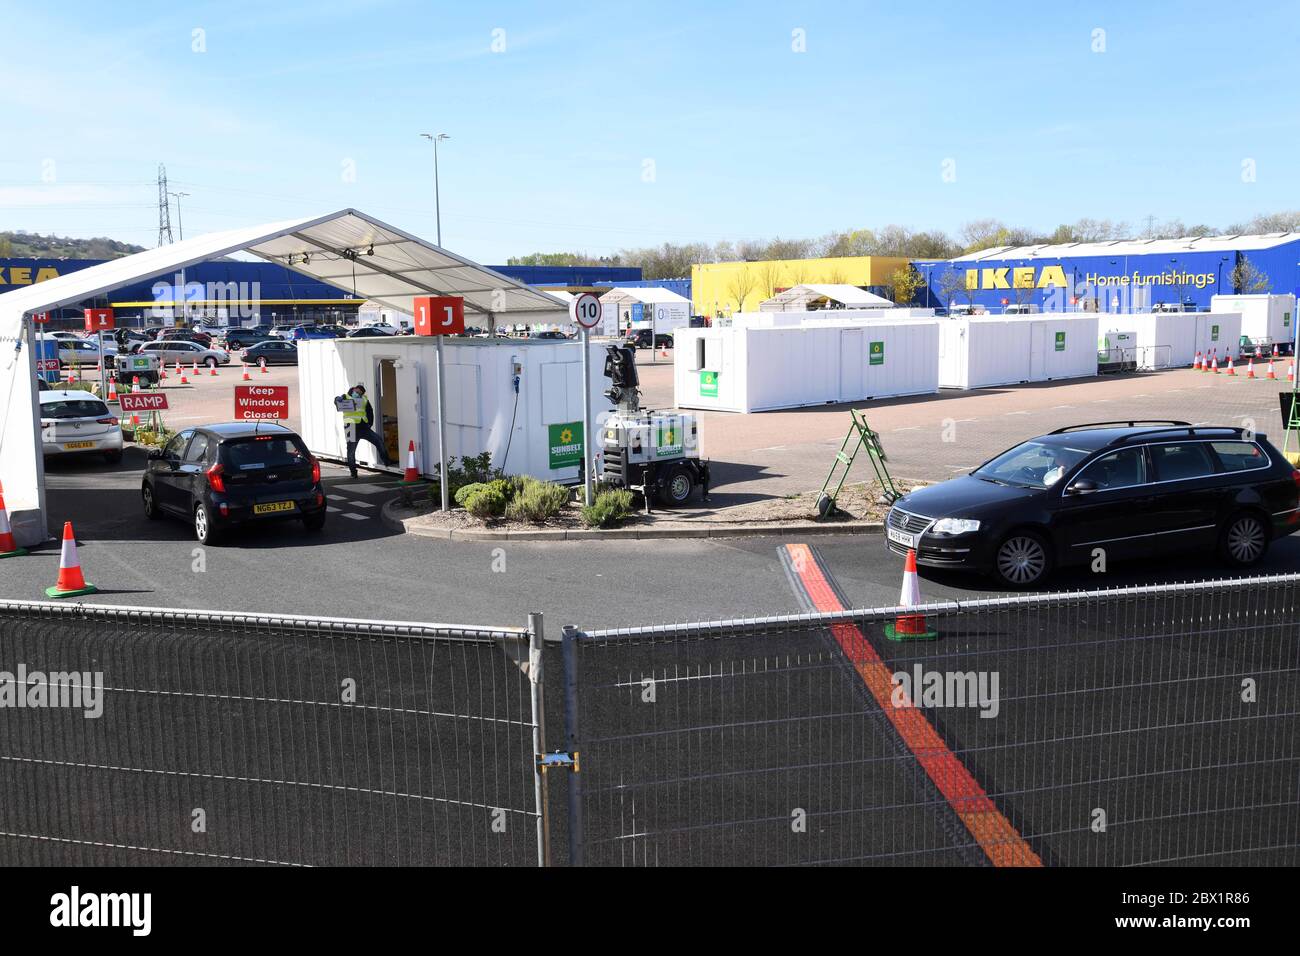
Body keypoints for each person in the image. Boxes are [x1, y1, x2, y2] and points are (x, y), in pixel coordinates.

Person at [337, 384, 394, 478]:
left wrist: (370, 423)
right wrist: (337, 399)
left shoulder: (364, 399)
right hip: (350, 428)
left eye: (360, 393)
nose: (358, 394)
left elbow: (370, 411)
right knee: (351, 451)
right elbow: (337, 401)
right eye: (357, 392)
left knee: (378, 440)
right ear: (354, 389)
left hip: (363, 427)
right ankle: (353, 472)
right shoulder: (345, 396)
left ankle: (387, 462)